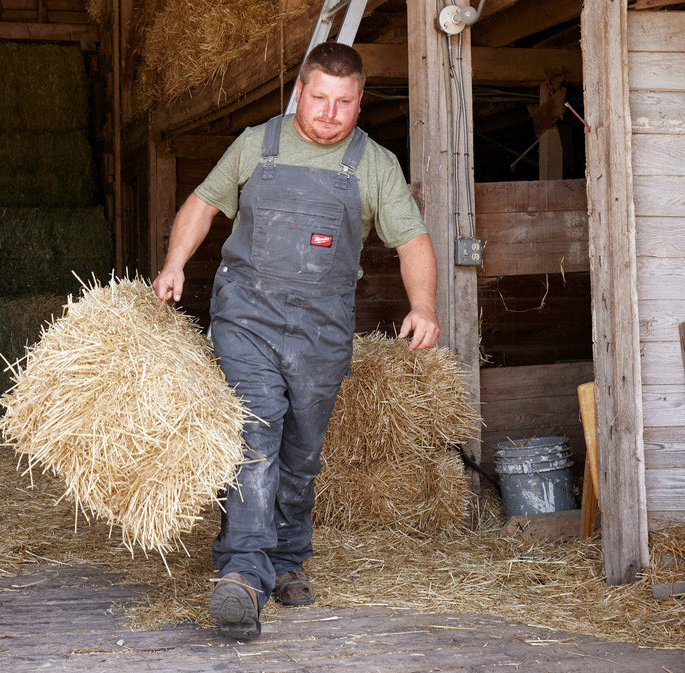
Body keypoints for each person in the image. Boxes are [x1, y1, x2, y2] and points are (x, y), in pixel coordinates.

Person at [152, 42, 440, 640]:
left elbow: (411, 240)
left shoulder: (374, 164)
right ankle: (243, 575)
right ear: (299, 93)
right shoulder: (260, 143)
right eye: (319, 98)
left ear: (360, 102)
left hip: (321, 331)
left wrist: (424, 307)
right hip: (247, 320)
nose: (330, 113)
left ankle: (287, 560)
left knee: (301, 455)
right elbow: (204, 202)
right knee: (255, 435)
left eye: (345, 102)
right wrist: (175, 262)